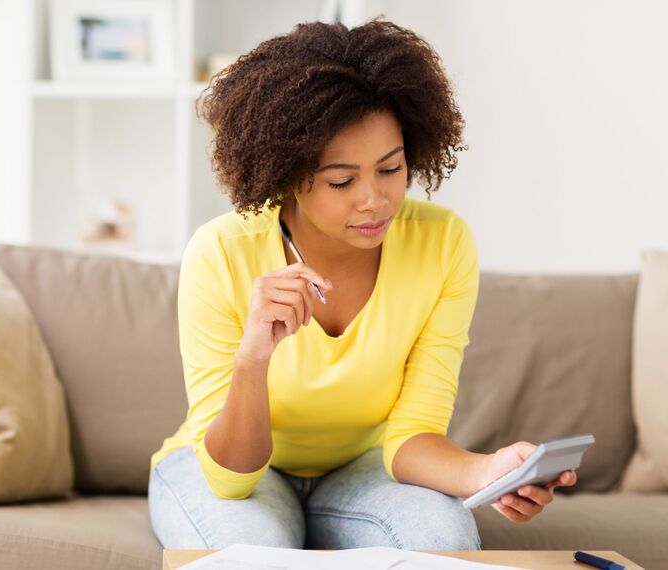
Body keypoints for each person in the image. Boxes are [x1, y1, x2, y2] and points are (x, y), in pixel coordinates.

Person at [147, 17, 577, 551]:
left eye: (390, 169)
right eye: (341, 180)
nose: (374, 200)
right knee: (250, 555)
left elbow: (413, 433)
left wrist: (489, 471)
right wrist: (252, 359)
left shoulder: (442, 245)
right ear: (286, 174)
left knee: (443, 537)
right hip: (227, 471)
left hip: (364, 470)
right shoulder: (220, 254)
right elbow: (230, 478)